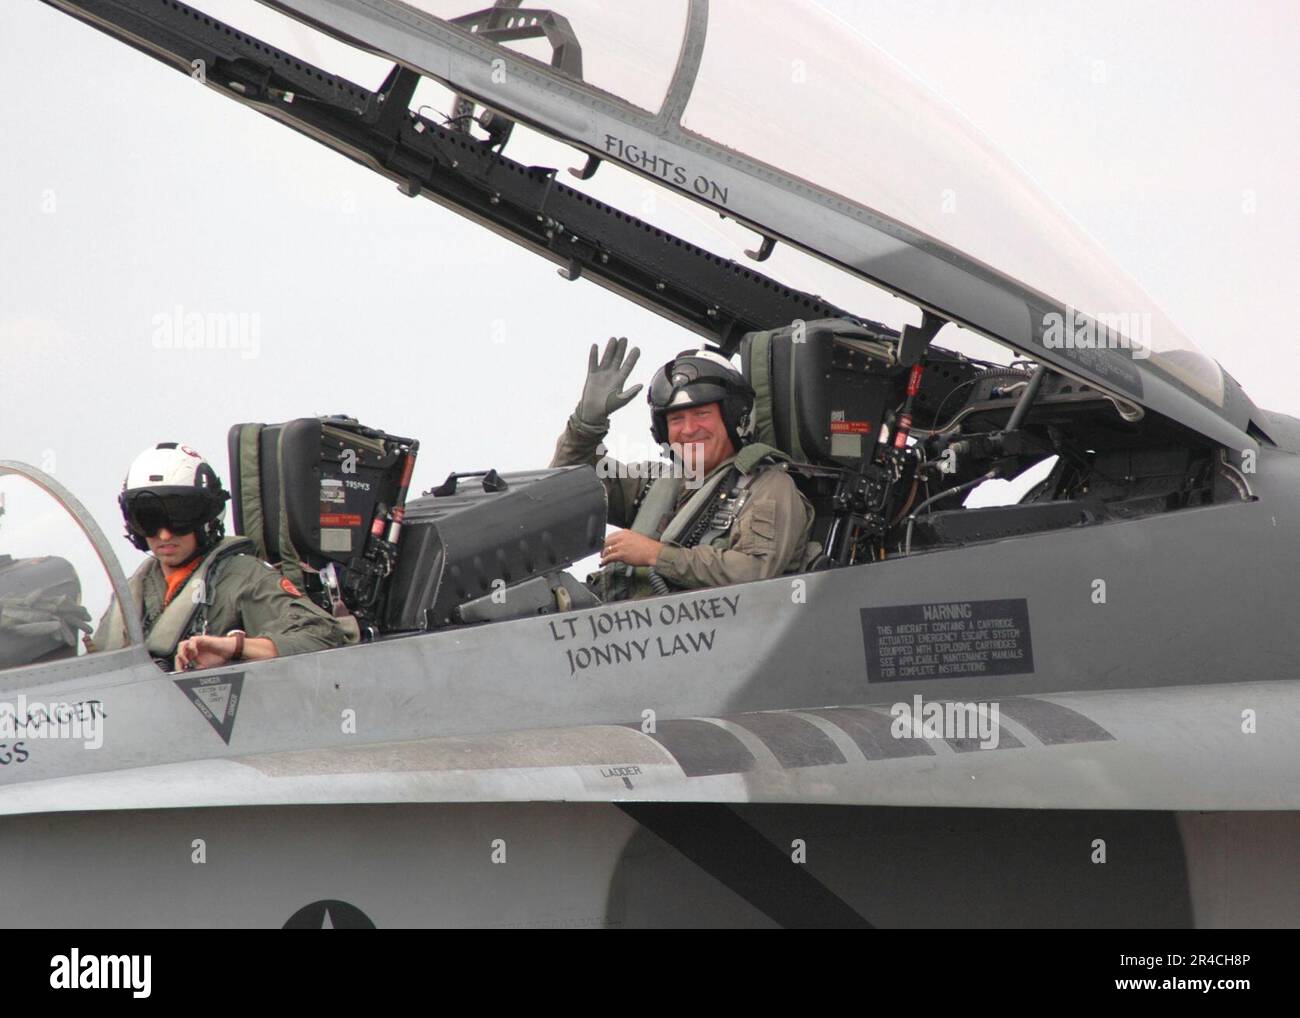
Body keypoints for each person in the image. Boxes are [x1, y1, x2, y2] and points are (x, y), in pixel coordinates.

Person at [551, 337, 814, 600]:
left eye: (702, 414)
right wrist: (586, 426)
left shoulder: (769, 486)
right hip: (628, 621)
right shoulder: (653, 484)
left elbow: (756, 571)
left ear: (735, 417)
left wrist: (657, 555)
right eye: (676, 419)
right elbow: (565, 489)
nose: (688, 430)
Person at [92, 443, 349, 670]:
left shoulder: (244, 578)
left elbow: (323, 634)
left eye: (180, 518)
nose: (165, 534)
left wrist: (235, 648)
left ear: (206, 518)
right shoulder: (134, 590)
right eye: (148, 519)